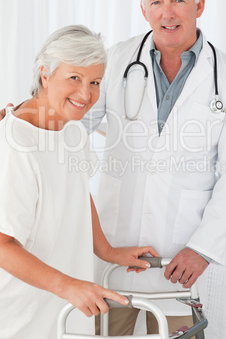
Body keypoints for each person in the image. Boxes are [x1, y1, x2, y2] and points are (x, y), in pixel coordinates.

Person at [80, 0, 226, 336]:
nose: (167, 13)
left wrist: (204, 248)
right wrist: (28, 116)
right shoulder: (116, 61)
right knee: (111, 334)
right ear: (144, 10)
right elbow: (76, 123)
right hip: (116, 244)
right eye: (156, 2)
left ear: (199, 5)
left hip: (183, 252)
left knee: (181, 331)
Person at [0, 25, 158, 339]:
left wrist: (106, 250)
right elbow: (2, 246)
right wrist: (69, 286)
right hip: (25, 316)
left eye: (95, 82)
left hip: (69, 310)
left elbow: (77, 192)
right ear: (45, 74)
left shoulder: (71, 130)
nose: (85, 94)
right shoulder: (15, 144)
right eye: (74, 78)